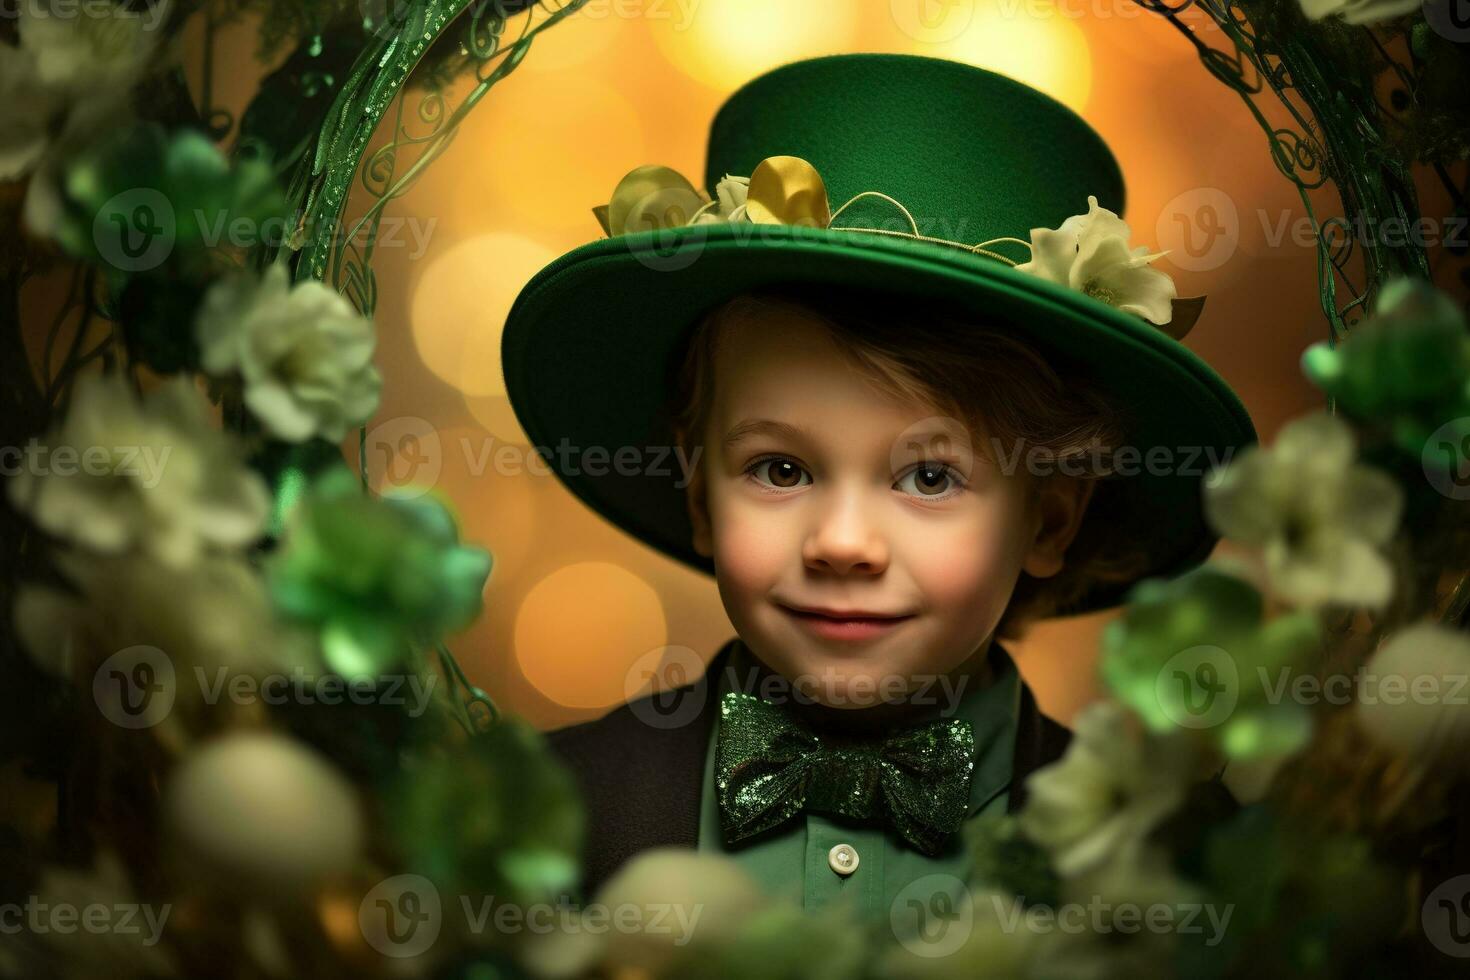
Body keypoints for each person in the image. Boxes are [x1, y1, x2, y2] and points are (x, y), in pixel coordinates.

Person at [498, 52, 1256, 914]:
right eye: (779, 470)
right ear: (699, 490)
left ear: (1049, 518)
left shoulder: (1180, 860)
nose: (842, 544)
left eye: (930, 477)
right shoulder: (540, 814)